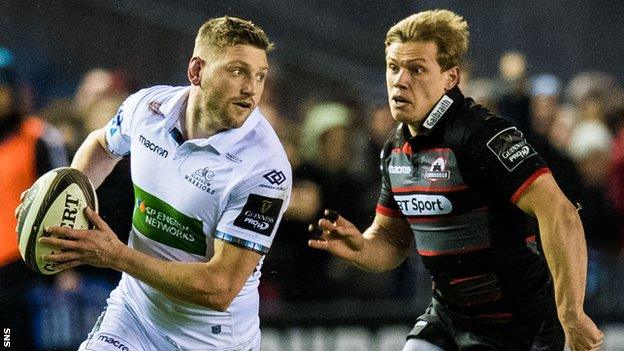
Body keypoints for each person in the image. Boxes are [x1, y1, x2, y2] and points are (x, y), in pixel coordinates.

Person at [308, 10, 603, 351]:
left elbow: (561, 213)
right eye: (393, 67)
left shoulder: (481, 135)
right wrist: (361, 246)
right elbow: (391, 239)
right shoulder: (395, 147)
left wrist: (571, 312)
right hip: (447, 316)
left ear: (450, 78)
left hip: (515, 324)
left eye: (416, 69)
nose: (400, 81)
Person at [23, 16, 292, 350]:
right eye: (237, 71)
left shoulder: (264, 169)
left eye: (260, 76)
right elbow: (102, 145)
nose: (251, 88)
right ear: (196, 71)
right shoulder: (148, 108)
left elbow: (220, 287)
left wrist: (117, 256)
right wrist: (68, 198)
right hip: (133, 315)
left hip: (210, 342)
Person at [1, 45, 68, 350]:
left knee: (9, 341)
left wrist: (62, 265)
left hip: (19, 270)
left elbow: (63, 202)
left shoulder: (39, 138)